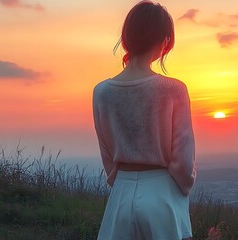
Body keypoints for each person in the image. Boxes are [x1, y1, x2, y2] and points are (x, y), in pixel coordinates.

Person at [92, 1, 196, 239]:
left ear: (126, 38)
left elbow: (107, 156)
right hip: (163, 195)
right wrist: (181, 190)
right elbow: (183, 164)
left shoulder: (101, 92)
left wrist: (124, 183)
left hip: (121, 195)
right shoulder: (174, 90)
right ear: (165, 41)